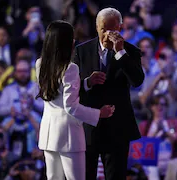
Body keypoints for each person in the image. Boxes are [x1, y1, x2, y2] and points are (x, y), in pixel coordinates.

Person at [36, 20, 114, 180]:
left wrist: (86, 82)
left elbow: (56, 92)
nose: (74, 41)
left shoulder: (40, 64)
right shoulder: (71, 68)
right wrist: (99, 114)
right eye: (71, 38)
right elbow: (70, 106)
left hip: (48, 133)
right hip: (68, 134)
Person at [74, 8, 145, 180]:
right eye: (103, 29)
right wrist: (88, 82)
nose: (107, 35)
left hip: (118, 127)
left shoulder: (131, 52)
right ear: (96, 27)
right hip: (88, 127)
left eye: (112, 30)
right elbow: (72, 87)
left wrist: (120, 52)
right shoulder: (81, 51)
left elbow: (137, 81)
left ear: (120, 27)